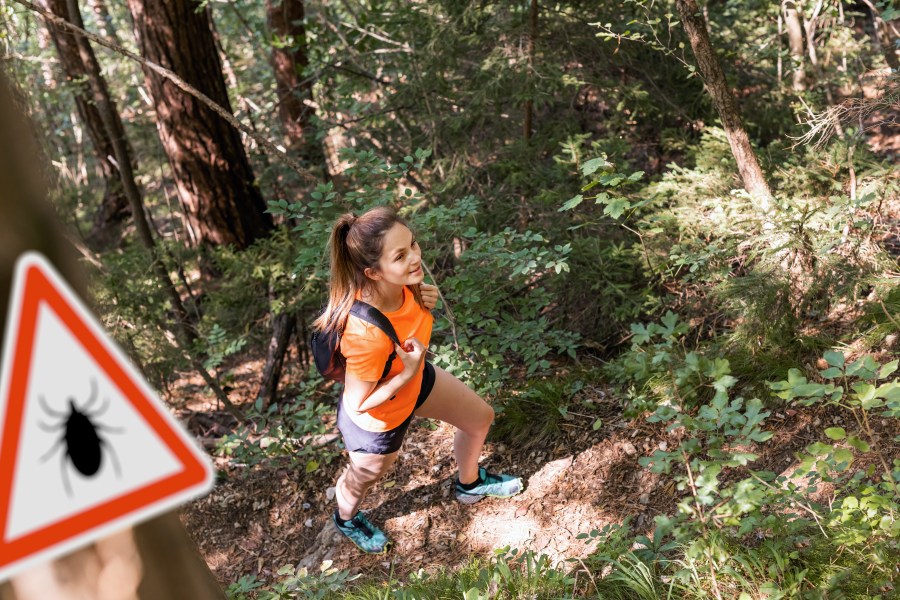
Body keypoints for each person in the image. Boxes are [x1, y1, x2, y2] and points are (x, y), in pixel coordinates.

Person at [312, 206, 522, 554]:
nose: (414, 258)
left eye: (413, 244)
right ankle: (345, 518)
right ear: (373, 273)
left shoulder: (408, 288)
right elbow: (358, 403)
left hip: (415, 382)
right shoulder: (364, 334)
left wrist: (426, 306)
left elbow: (412, 334)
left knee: (480, 418)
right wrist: (408, 371)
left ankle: (469, 484)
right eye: (400, 255)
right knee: (364, 478)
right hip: (378, 419)